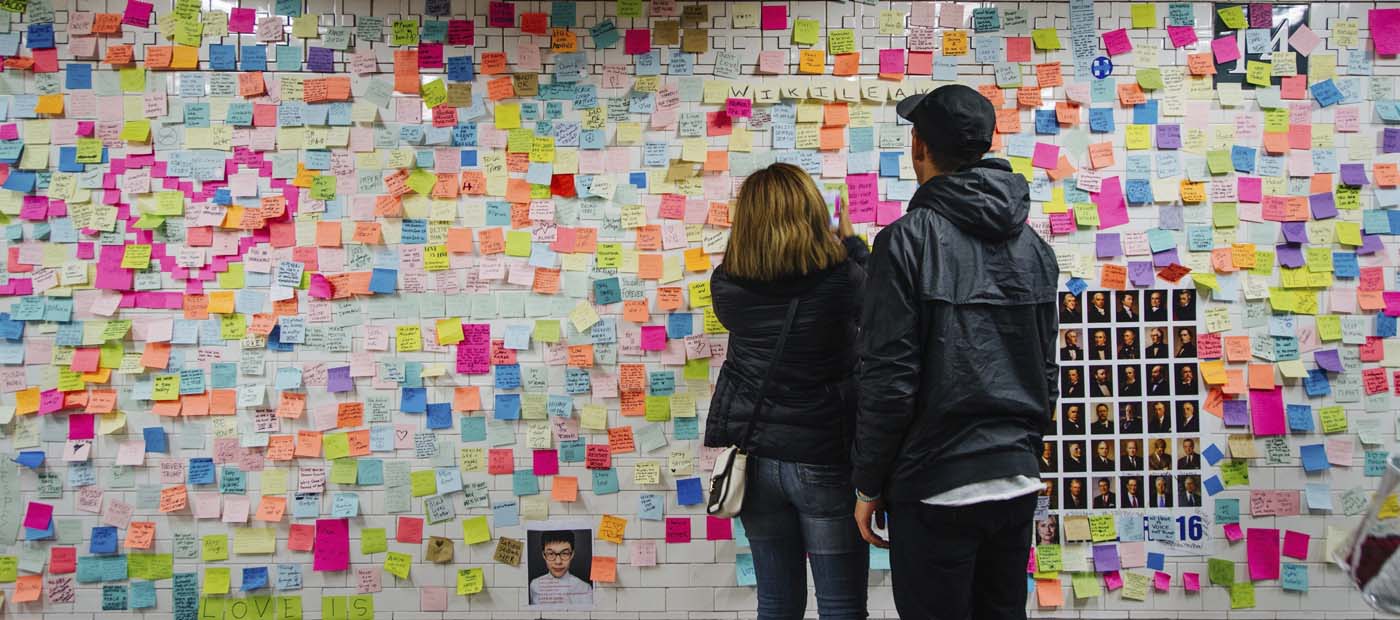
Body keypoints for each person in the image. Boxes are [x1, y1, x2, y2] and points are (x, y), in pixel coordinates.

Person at [853, 85, 1059, 620]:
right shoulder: (1036, 248)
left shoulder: (903, 242)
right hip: (1015, 480)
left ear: (919, 146)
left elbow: (889, 379)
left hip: (935, 485)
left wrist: (868, 482)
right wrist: (1023, 452)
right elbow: (1046, 371)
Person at [705, 162, 870, 620]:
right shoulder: (842, 281)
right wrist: (851, 240)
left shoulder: (726, 285)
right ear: (814, 215)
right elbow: (879, 298)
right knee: (841, 606)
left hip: (756, 459)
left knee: (776, 603)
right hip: (823, 458)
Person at [529, 531, 593, 606]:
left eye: (565, 553)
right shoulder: (535, 585)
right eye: (551, 554)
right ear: (544, 555)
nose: (558, 562)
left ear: (572, 554)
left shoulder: (585, 588)